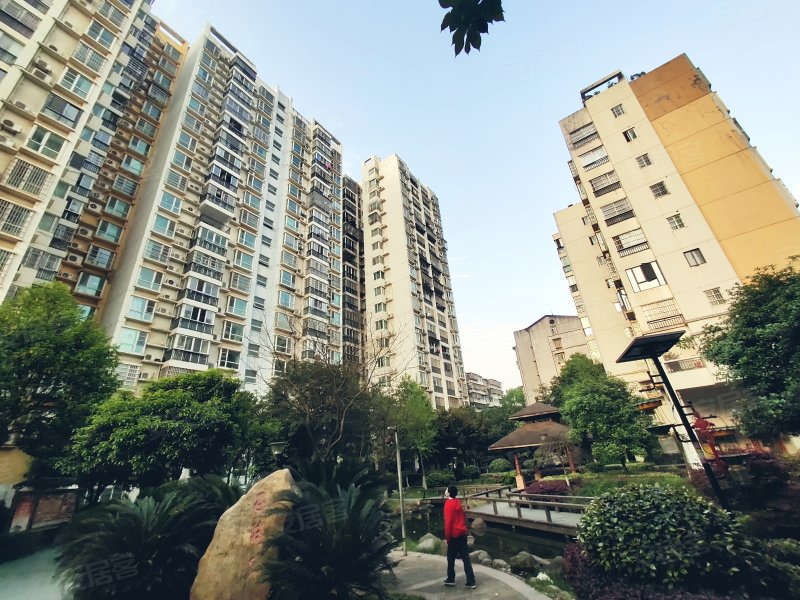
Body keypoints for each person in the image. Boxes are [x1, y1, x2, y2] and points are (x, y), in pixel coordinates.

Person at [443, 485, 476, 589]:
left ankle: (451, 579)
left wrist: (447, 537)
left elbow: (448, 522)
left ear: (448, 493)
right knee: (466, 558)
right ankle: (471, 581)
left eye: (447, 490)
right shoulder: (458, 502)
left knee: (450, 558)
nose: (445, 491)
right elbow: (462, 517)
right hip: (462, 533)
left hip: (453, 535)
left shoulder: (448, 504)